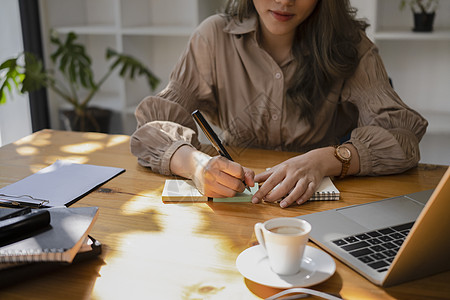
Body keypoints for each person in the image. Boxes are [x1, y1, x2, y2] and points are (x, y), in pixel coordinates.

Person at [130, 0, 428, 208]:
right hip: (235, 204)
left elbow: (402, 138)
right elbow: (151, 128)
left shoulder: (351, 45)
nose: (285, 1)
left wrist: (325, 160)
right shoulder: (213, 38)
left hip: (319, 207)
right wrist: (195, 164)